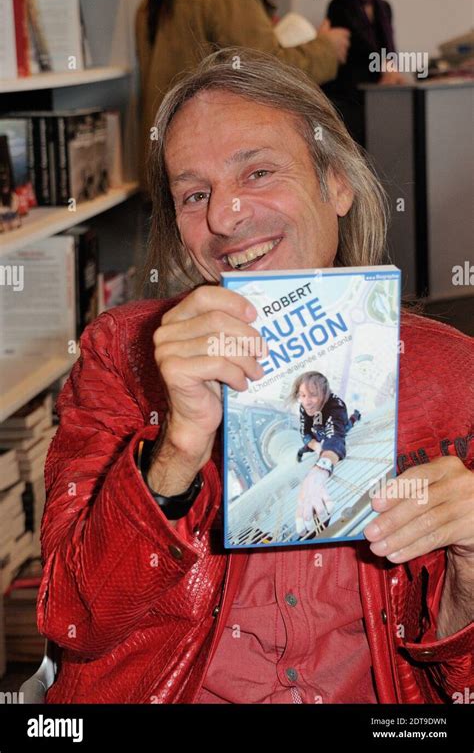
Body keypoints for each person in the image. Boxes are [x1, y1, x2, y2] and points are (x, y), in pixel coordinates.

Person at [38, 49, 473, 704]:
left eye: (259, 171)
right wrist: (177, 450)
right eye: (193, 194)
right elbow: (76, 620)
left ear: (337, 184)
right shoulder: (125, 356)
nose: (223, 216)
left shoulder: (452, 375)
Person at [135, 0, 351, 192]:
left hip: (171, 165)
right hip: (218, 167)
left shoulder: (151, 4)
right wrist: (327, 48)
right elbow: (265, 73)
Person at [323, 0, 406, 145]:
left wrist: (392, 70)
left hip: (378, 90)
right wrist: (386, 67)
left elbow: (388, 44)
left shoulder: (384, 6)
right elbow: (359, 46)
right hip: (349, 92)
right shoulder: (339, 4)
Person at [289, 371, 359, 536]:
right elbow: (304, 432)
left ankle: (355, 416)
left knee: (346, 428)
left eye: (313, 395)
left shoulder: (336, 406)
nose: (306, 402)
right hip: (317, 436)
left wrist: (320, 469)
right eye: (302, 395)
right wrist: (314, 446)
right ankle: (304, 452)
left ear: (324, 394)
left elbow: (335, 439)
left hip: (330, 433)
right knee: (303, 448)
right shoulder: (304, 406)